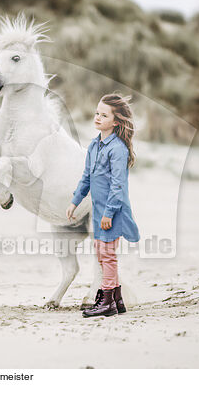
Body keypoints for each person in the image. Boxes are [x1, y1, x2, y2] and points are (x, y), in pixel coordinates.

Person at [66, 93, 140, 317]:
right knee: (101, 252)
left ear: (116, 121)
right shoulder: (94, 145)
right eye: (97, 113)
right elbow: (86, 177)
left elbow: (118, 186)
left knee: (107, 254)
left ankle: (107, 300)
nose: (97, 117)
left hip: (113, 210)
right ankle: (116, 299)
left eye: (104, 115)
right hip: (98, 210)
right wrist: (75, 201)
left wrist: (109, 213)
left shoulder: (117, 149)